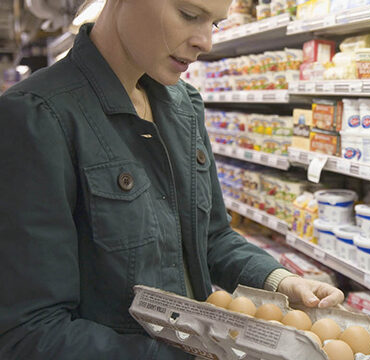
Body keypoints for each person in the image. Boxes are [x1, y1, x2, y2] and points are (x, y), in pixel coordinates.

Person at [0, 0, 344, 358]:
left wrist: (280, 281)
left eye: (214, 23)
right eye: (189, 15)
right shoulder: (37, 117)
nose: (205, 42)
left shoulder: (184, 105)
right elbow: (30, 333)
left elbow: (211, 237)